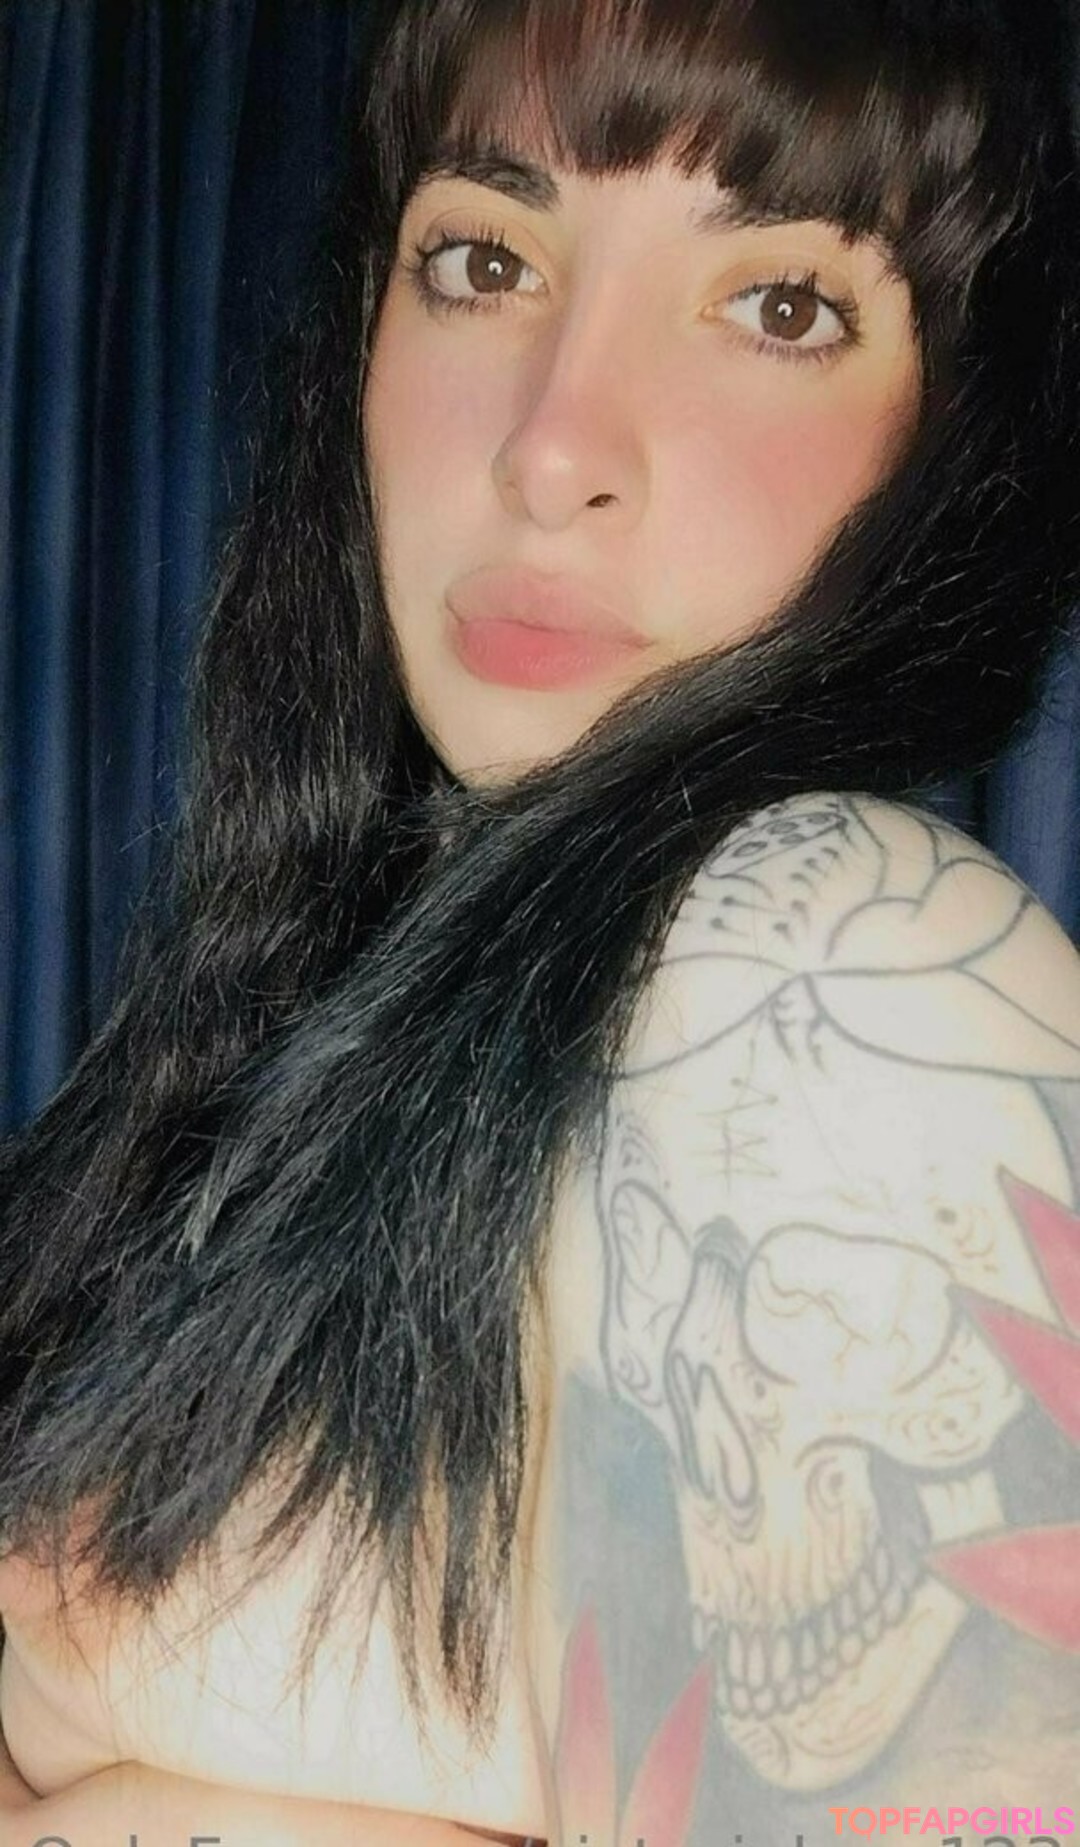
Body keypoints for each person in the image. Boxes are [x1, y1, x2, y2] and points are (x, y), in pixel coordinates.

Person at [1, 0, 1080, 1842]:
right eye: (485, 261)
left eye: (779, 304)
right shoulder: (327, 1041)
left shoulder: (833, 963)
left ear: (952, 444)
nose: (555, 442)